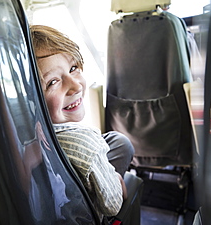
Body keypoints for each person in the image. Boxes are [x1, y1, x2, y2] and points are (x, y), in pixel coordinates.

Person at [29, 25, 135, 220]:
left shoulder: (24, 132)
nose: (76, 85)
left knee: (119, 141)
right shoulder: (85, 143)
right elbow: (113, 206)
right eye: (53, 82)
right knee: (120, 150)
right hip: (87, 211)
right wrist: (115, 181)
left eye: (73, 68)